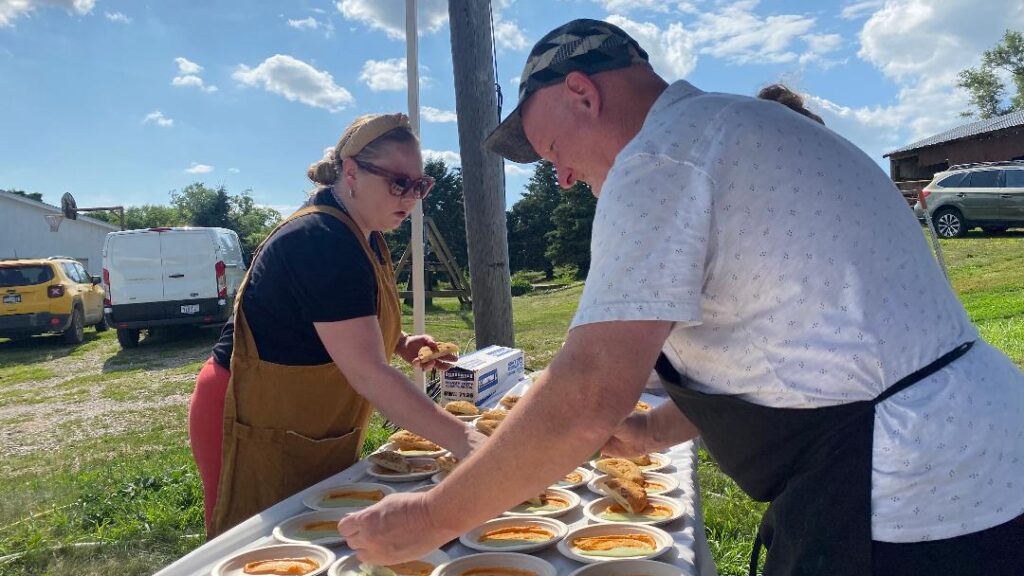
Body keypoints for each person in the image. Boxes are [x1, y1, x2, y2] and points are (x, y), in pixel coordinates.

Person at [336, 19, 1024, 575]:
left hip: (912, 490)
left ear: (581, 92)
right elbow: (782, 339)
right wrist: (652, 432)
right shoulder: (736, 128)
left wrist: (429, 518)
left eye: (552, 150)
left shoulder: (660, 159)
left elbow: (587, 393)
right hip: (973, 456)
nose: (563, 177)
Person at [188, 113, 485, 537]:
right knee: (250, 542)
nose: (411, 197)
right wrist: (467, 441)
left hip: (304, 419)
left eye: (420, 185)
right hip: (248, 412)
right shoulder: (321, 240)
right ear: (351, 172)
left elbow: (337, 321)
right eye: (399, 183)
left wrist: (400, 341)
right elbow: (368, 372)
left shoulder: (366, 234)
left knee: (309, 536)